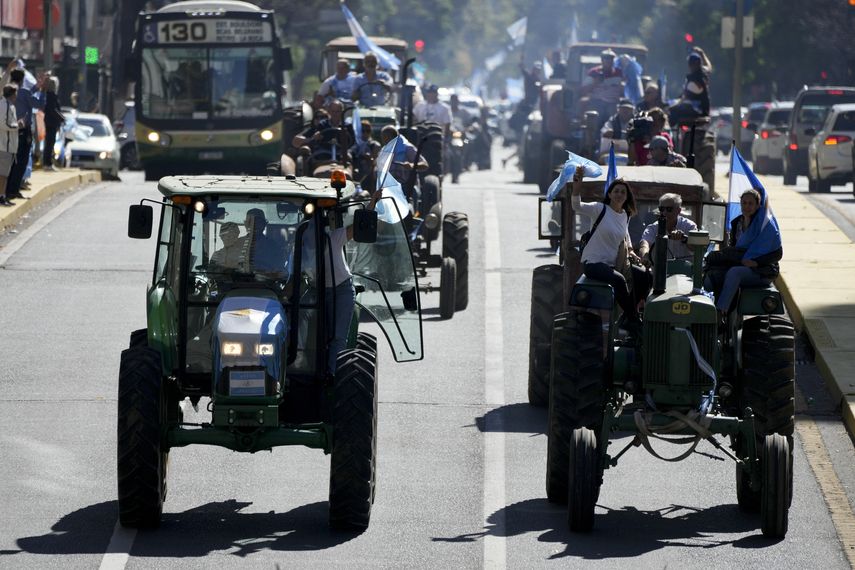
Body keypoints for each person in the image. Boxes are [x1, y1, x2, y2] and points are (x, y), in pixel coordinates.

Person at [571, 166, 649, 333]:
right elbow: (577, 206)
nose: (619, 194)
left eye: (623, 192)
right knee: (619, 280)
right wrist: (577, 187)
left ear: (627, 197)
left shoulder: (625, 216)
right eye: (616, 191)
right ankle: (633, 318)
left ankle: (627, 316)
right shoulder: (599, 209)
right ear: (610, 194)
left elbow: (625, 236)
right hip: (593, 263)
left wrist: (631, 251)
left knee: (644, 275)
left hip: (613, 264)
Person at [322, 189, 382, 375]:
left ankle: (334, 377)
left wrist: (372, 203)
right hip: (316, 292)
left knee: (339, 337)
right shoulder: (300, 242)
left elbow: (358, 227)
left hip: (342, 290)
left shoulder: (332, 237)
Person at [704, 188, 782, 318]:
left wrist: (756, 262)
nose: (747, 206)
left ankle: (720, 312)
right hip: (740, 263)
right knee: (710, 275)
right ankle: (708, 311)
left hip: (762, 271)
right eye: (744, 203)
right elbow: (734, 249)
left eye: (751, 203)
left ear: (758, 205)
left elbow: (777, 253)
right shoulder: (737, 223)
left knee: (735, 272)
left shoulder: (765, 225)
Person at [3, 64, 43, 200]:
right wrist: (42, 90)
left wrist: (36, 86)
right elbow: (39, 104)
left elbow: (26, 94)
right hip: (23, 130)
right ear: (22, 79)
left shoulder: (8, 90)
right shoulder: (24, 92)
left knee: (11, 162)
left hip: (9, 130)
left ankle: (8, 190)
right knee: (21, 161)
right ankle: (13, 190)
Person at [637, 193, 698, 266]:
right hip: (660, 271)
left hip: (685, 272)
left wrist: (684, 239)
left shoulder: (689, 226)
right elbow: (645, 244)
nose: (664, 213)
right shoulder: (653, 228)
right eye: (661, 209)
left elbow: (696, 248)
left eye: (669, 209)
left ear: (678, 211)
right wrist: (645, 256)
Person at [379, 125, 428, 204]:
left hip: (406, 187)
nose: (383, 140)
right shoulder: (384, 150)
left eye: (386, 138)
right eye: (383, 138)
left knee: (413, 193)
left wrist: (411, 166)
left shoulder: (407, 148)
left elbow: (425, 165)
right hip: (388, 187)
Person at [580, 49, 624, 123]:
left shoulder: (619, 73)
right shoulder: (593, 73)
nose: (608, 61)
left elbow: (623, 89)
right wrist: (595, 83)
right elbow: (583, 90)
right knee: (595, 120)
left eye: (610, 59)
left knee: (614, 120)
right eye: (606, 58)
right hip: (596, 102)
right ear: (602, 60)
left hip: (613, 103)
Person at [669, 49, 711, 126]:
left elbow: (683, 98)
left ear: (690, 65)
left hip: (698, 111)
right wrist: (702, 53)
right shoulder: (703, 73)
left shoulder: (693, 81)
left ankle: (669, 132)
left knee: (672, 111)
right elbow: (708, 66)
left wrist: (671, 107)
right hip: (704, 109)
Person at [244, 208, 285, 274]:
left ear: (264, 224)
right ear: (246, 224)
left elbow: (278, 269)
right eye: (250, 222)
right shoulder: (237, 244)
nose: (254, 226)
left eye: (258, 222)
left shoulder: (274, 247)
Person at [0, 84, 18, 207]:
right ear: (12, 94)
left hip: (8, 145)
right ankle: (1, 196)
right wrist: (17, 126)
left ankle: (3, 195)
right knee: (3, 174)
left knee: (5, 174)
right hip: (4, 145)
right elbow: (4, 123)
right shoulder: (5, 105)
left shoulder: (9, 105)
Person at [42, 75, 63, 171]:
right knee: (50, 143)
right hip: (51, 123)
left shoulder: (50, 95)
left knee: (51, 143)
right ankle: (47, 163)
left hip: (51, 122)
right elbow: (52, 109)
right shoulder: (51, 95)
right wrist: (61, 118)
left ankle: (48, 162)